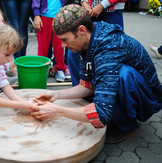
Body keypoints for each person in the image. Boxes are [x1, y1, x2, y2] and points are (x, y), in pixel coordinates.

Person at [31, 4, 162, 143]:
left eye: (64, 39)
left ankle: (125, 126)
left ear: (81, 30)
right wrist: (56, 95)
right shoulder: (89, 38)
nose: (62, 45)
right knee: (72, 53)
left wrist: (57, 111)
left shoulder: (108, 47)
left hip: (148, 98)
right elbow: (87, 86)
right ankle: (98, 103)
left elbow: (102, 114)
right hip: (119, 81)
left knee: (123, 75)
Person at [68, 0, 127, 86]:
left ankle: (105, 88)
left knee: (111, 53)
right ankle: (79, 88)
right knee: (74, 50)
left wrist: (102, 5)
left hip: (112, 11)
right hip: (91, 11)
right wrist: (84, 2)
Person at [32, 0, 69, 82]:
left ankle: (60, 69)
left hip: (60, 17)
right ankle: (41, 68)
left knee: (59, 46)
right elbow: (36, 1)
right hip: (43, 17)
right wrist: (36, 15)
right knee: (43, 46)